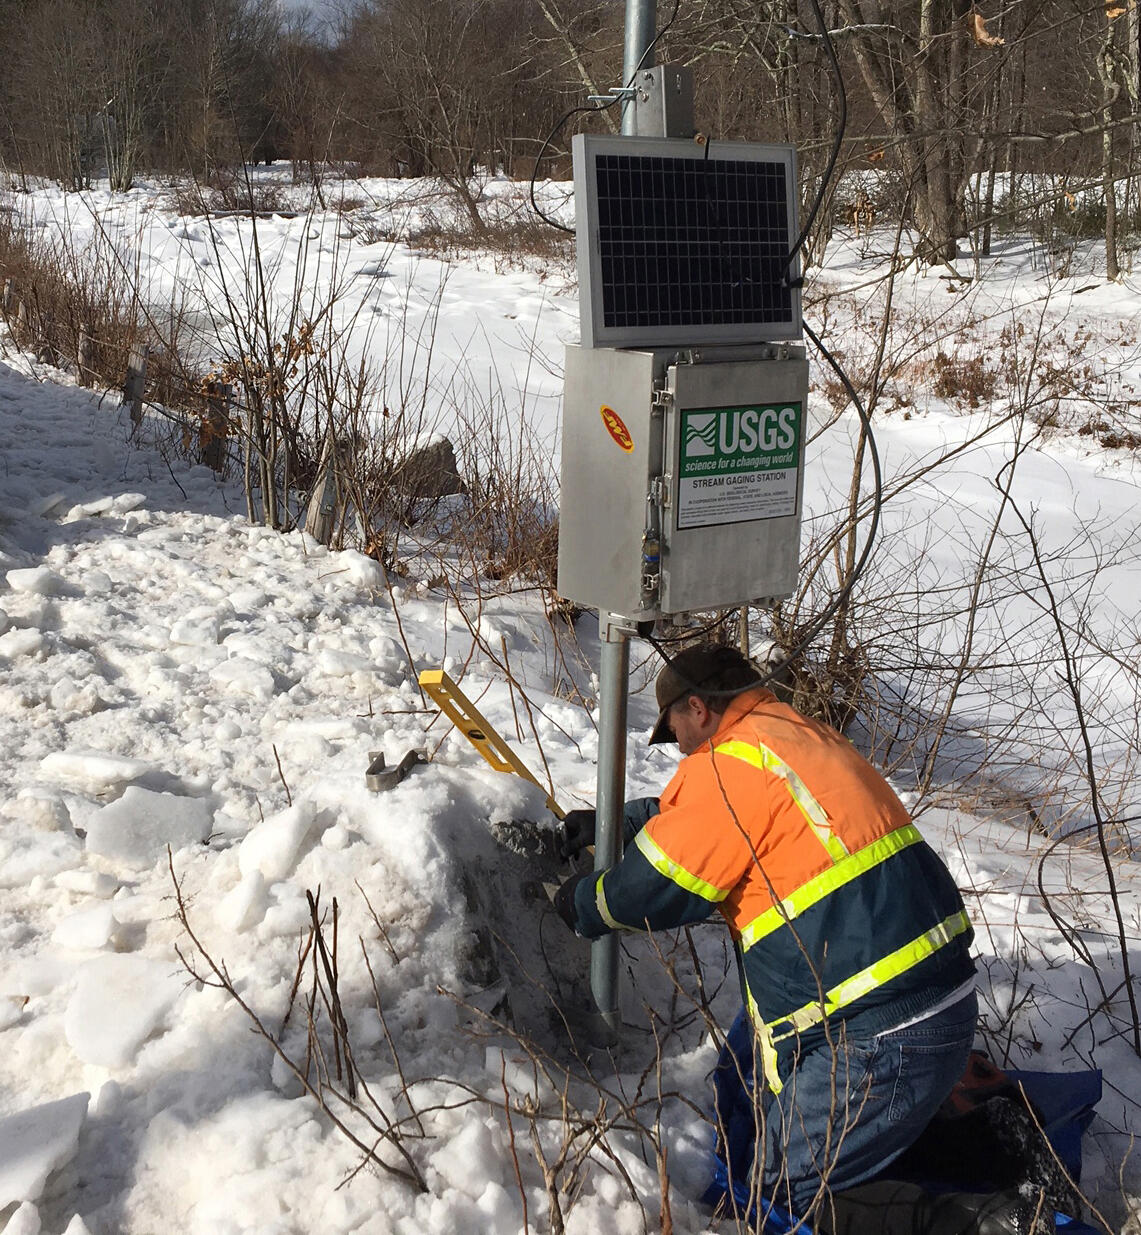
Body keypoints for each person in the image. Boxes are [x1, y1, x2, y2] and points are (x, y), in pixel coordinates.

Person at [554, 642, 977, 1221]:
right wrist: (612, 824)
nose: (676, 743)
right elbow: (706, 818)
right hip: (925, 1005)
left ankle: (982, 1221)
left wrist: (580, 902)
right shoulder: (792, 737)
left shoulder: (728, 768)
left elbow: (648, 889)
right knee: (747, 1076)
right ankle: (982, 1146)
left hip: (874, 1035)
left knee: (782, 1201)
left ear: (698, 708)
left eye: (673, 727)